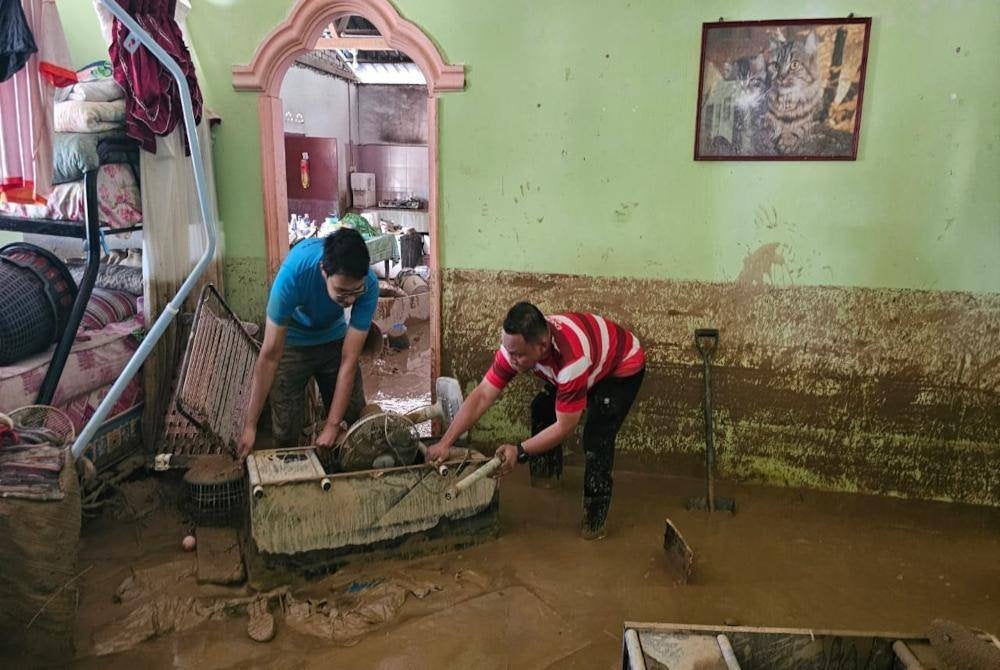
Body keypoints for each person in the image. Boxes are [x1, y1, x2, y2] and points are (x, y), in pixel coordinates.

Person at [426, 302, 645, 539]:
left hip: (621, 367)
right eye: (508, 351)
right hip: (591, 362)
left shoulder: (571, 363)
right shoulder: (518, 346)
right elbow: (482, 395)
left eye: (518, 355)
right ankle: (546, 479)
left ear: (541, 346)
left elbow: (565, 426)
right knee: (541, 407)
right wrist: (446, 443)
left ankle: (595, 521)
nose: (511, 360)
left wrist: (519, 451)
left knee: (596, 437)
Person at [237, 228, 378, 459]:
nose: (350, 299)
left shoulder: (369, 284)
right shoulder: (293, 275)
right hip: (291, 341)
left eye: (355, 292)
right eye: (342, 293)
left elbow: (349, 359)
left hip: (334, 338)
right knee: (285, 425)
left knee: (354, 417)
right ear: (324, 271)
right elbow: (270, 355)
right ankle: (292, 474)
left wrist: (333, 425)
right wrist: (250, 426)